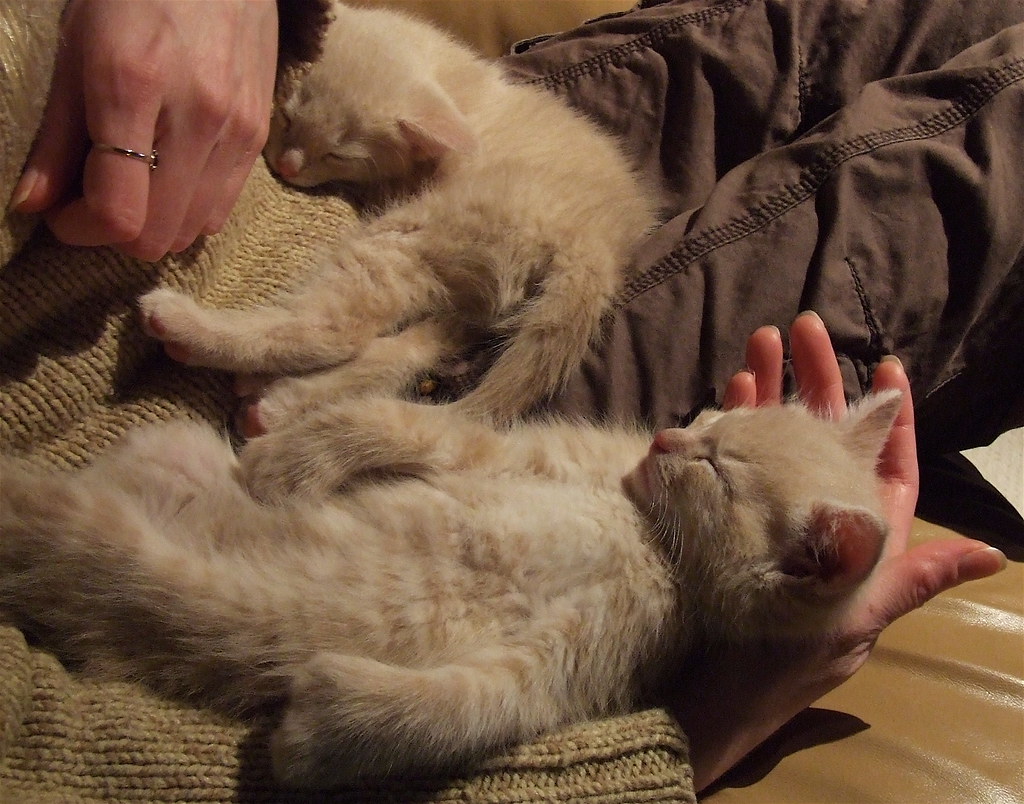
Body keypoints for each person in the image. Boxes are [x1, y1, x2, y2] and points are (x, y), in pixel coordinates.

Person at [0, 0, 1017, 798]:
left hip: (401, 172)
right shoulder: (675, 558)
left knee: (880, 23)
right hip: (365, 372)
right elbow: (289, 721)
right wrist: (706, 728)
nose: (679, 430)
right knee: (986, 134)